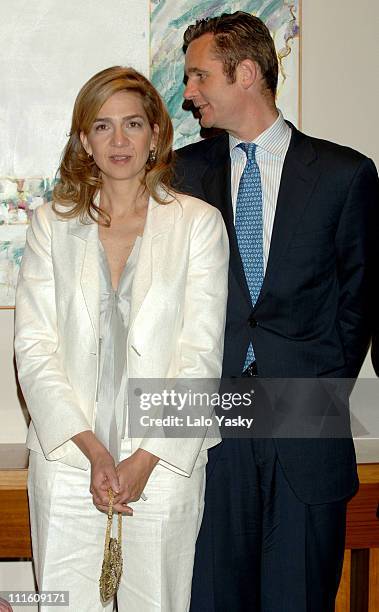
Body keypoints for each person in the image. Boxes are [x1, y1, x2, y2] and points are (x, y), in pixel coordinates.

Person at [173, 11, 379, 612]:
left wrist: (316, 387)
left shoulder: (346, 175)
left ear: (244, 73)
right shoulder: (183, 176)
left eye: (198, 76)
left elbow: (359, 303)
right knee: (212, 598)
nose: (189, 93)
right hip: (212, 427)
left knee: (299, 598)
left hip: (306, 427)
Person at [14, 66, 229, 612]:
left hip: (163, 464)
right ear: (84, 139)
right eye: (103, 126)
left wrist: (143, 459)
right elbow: (34, 350)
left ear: (155, 133)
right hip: (67, 464)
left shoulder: (197, 225)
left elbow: (200, 356)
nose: (119, 140)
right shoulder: (50, 225)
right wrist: (94, 452)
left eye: (133, 124)